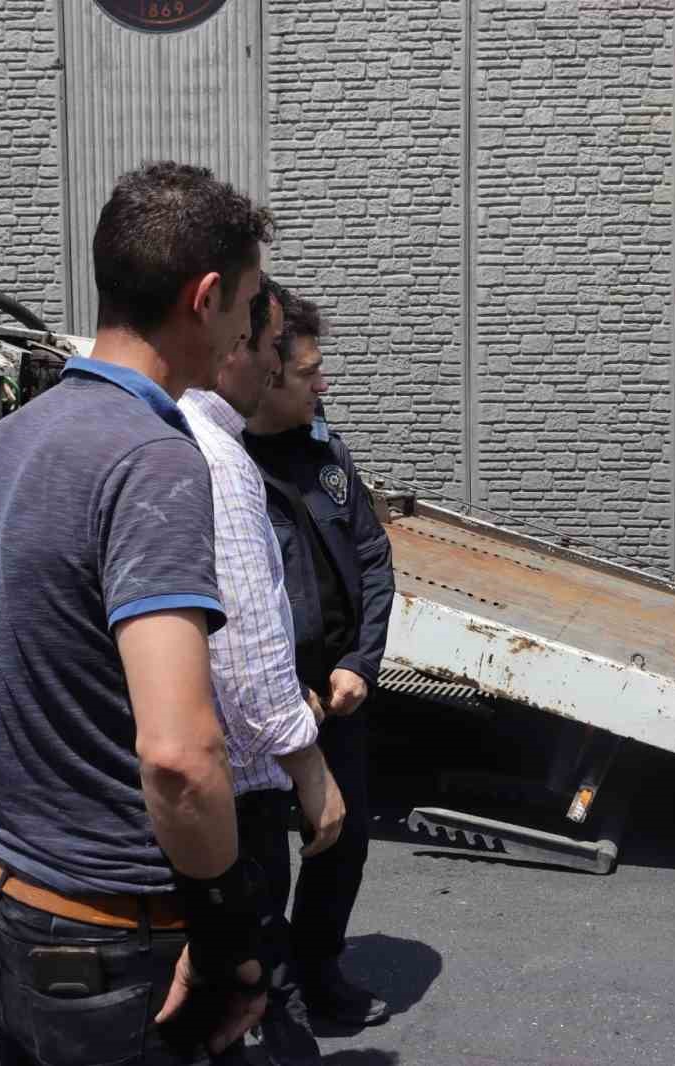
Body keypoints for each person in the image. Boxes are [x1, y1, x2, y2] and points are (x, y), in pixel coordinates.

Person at [0, 162, 273, 1065]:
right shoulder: (153, 460)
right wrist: (221, 942)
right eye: (249, 304)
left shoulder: (17, 435)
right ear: (204, 297)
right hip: (115, 948)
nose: (252, 331)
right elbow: (178, 757)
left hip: (7, 908)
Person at [179, 276, 346, 1065]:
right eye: (277, 347)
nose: (287, 368)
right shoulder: (218, 456)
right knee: (253, 986)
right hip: (237, 793)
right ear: (234, 343)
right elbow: (244, 645)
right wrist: (309, 768)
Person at [245, 287, 394, 1027]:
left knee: (346, 842)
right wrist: (283, 691)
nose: (323, 385)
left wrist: (360, 664)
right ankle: (270, 994)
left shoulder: (325, 451)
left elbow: (372, 558)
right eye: (310, 373)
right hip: (268, 706)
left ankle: (317, 966)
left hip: (337, 694)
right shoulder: (225, 466)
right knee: (263, 860)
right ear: (268, 377)